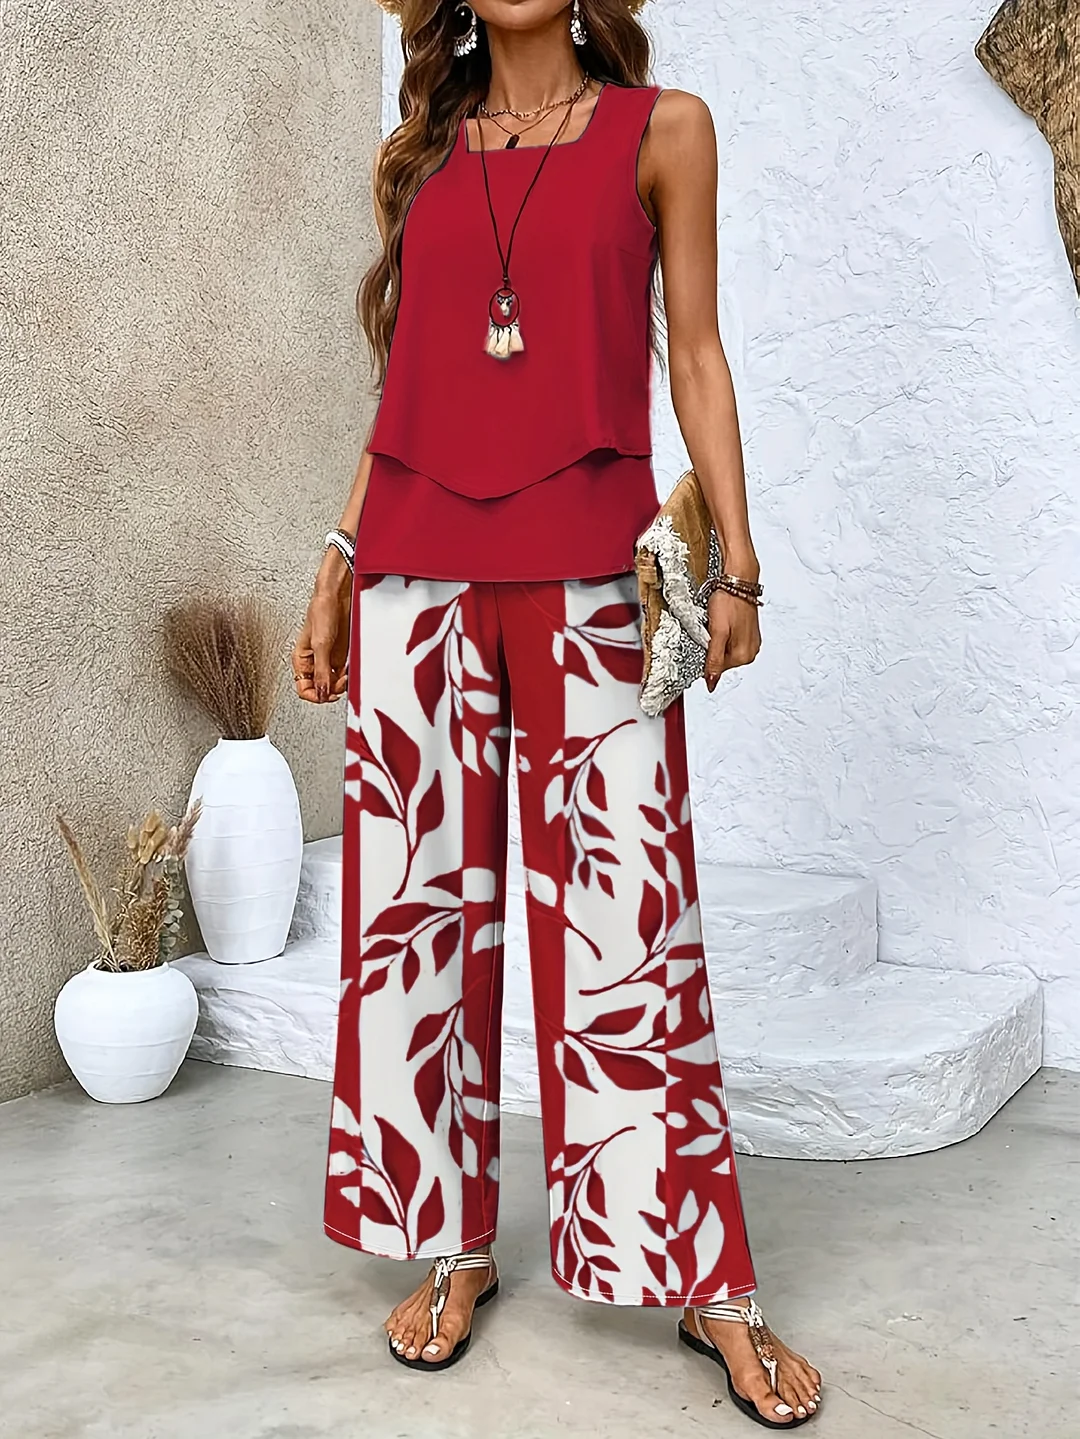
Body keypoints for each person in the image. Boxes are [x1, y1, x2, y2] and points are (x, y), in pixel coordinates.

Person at [293, 0, 822, 1427]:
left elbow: (696, 352)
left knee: (631, 932)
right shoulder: (423, 152)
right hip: (416, 575)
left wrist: (737, 563)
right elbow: (403, 384)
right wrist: (338, 560)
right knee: (417, 927)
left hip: (594, 570)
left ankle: (707, 1277)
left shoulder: (664, 132)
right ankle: (455, 1242)